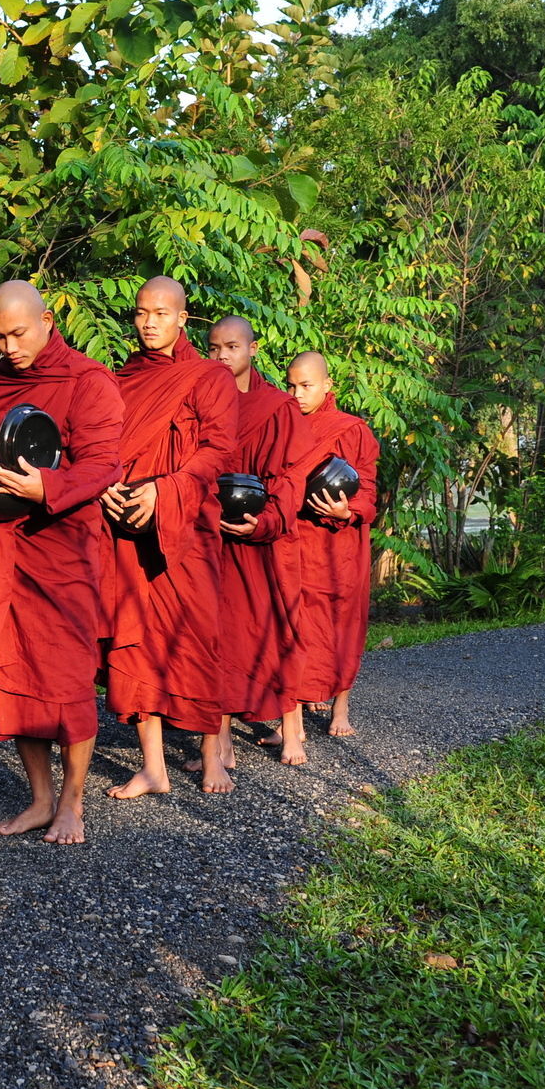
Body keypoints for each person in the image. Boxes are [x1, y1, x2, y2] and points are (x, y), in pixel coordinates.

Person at [0, 280, 124, 845]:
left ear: (48, 319)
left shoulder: (87, 380)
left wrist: (46, 488)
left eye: (19, 332)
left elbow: (105, 464)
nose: (10, 346)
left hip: (63, 545)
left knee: (65, 677)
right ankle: (38, 798)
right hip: (1, 544)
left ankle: (73, 804)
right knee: (13, 671)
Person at [99, 278, 240, 797]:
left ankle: (209, 757)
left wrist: (169, 489)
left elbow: (220, 449)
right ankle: (153, 767)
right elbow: (102, 448)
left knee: (196, 637)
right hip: (128, 524)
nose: (150, 322)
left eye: (161, 313)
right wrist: (105, 488)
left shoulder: (209, 377)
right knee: (133, 638)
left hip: (186, 524)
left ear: (183, 319)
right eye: (141, 313)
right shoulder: (119, 380)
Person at [209, 315, 310, 764]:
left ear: (252, 348)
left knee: (276, 630)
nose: (222, 356)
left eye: (232, 347)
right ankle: (221, 738)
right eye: (214, 348)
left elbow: (291, 477)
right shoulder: (200, 398)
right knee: (220, 637)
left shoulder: (276, 406)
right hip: (211, 533)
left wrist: (266, 522)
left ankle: (291, 730)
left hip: (266, 536)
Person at [272, 351, 381, 741]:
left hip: (339, 543)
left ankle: (341, 706)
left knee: (340, 623)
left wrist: (347, 510)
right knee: (295, 623)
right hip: (295, 538)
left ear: (327, 386)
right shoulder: (282, 425)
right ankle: (293, 714)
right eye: (291, 385)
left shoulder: (351, 429)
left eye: (306, 386)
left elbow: (368, 488)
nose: (297, 394)